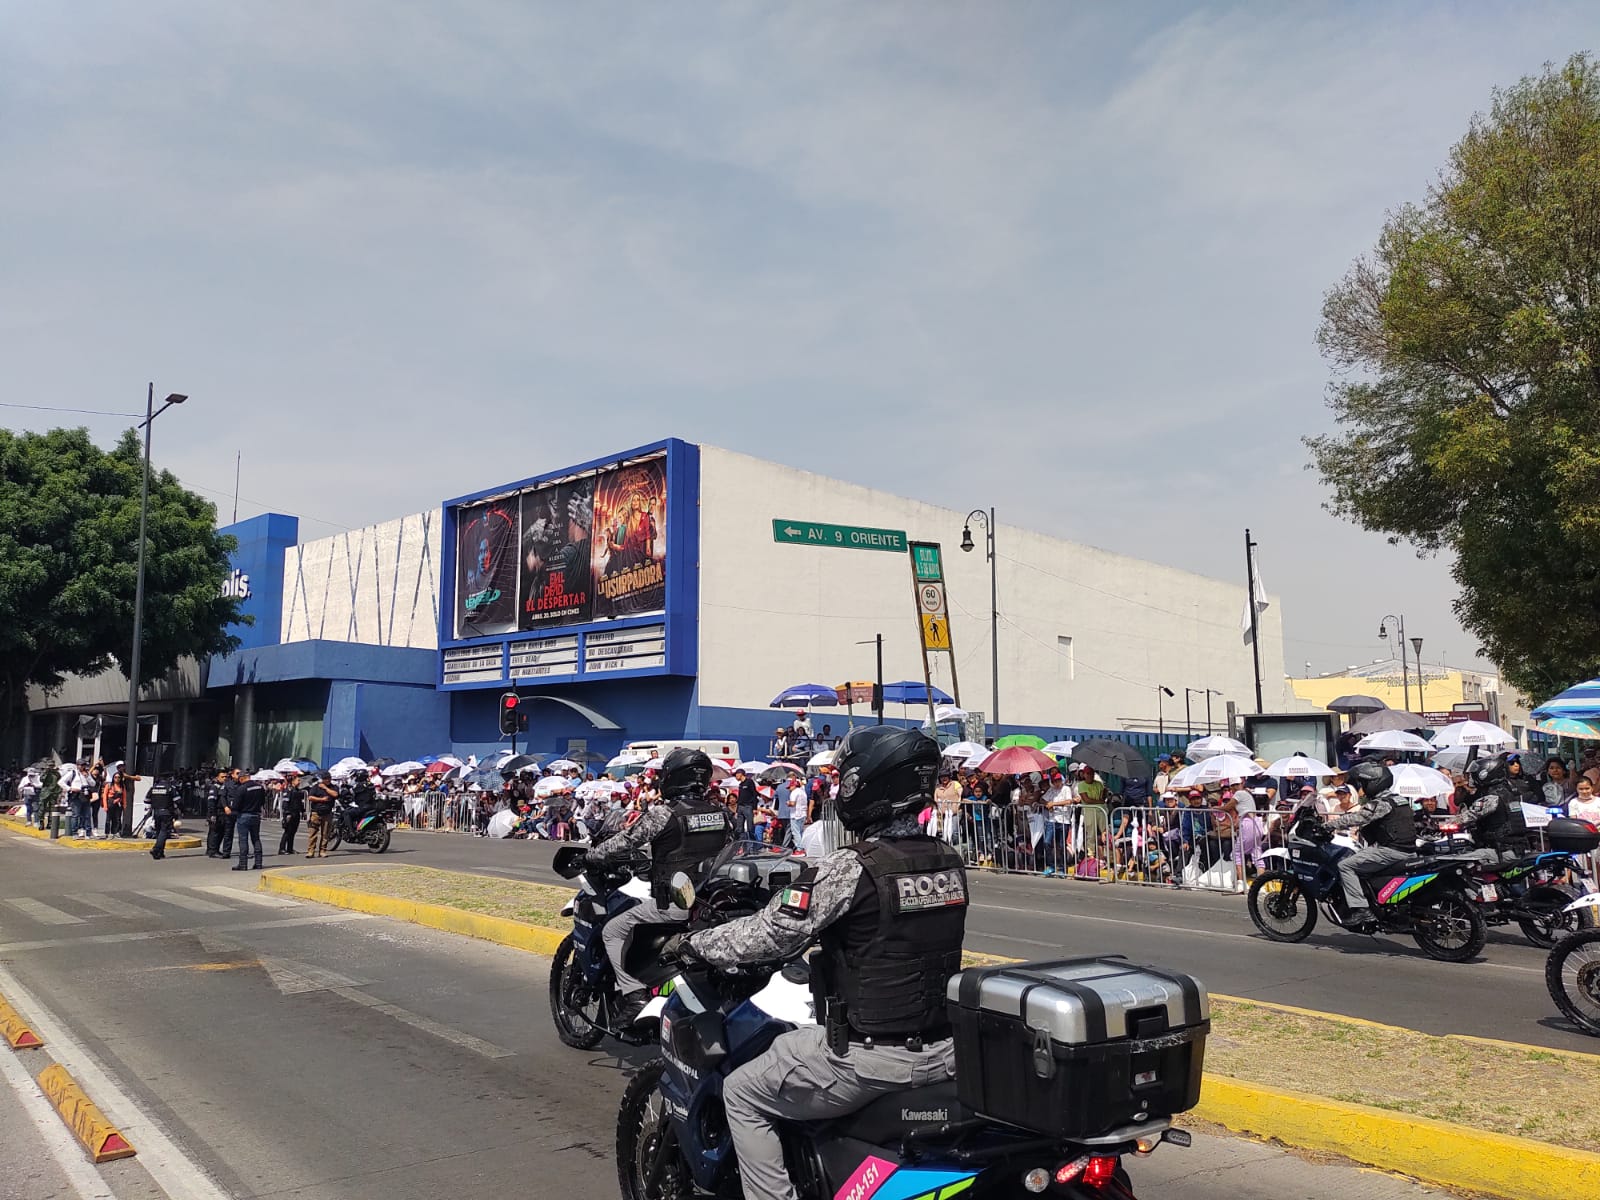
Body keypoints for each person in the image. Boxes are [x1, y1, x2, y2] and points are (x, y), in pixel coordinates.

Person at [674, 726, 967, 1200]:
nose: (841, 792)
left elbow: (770, 932)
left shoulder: (850, 867)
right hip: (944, 1051)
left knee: (743, 1092)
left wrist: (696, 945)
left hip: (869, 1060)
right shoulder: (948, 861)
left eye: (848, 781)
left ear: (874, 786)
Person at [587, 748, 734, 1026]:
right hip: (706, 905)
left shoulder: (664, 814)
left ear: (673, 777)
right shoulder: (721, 814)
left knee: (612, 930)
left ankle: (633, 995)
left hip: (673, 906)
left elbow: (624, 841)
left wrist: (591, 856)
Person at [1324, 761, 1415, 930]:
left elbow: (1357, 818)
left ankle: (1362, 911)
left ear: (1374, 783)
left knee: (1345, 866)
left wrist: (1328, 825)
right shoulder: (1400, 799)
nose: (1362, 788)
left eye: (1364, 783)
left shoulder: (1382, 803)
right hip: (1407, 850)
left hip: (1391, 851)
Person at [1457, 752, 1534, 862]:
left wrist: (1440, 826)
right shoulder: (1510, 792)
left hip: (1501, 852)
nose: (1472, 778)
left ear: (1485, 774)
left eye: (1474, 775)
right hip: (1518, 849)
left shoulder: (1491, 799)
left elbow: (1465, 818)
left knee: (1456, 860)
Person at [231, 772, 267, 870]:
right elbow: (263, 802)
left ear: (242, 778)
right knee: (256, 839)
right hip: (256, 815)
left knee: (243, 840)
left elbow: (235, 805)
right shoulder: (260, 787)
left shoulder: (241, 789)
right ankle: (258, 863)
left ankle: (243, 864)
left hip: (244, 815)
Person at [146, 775, 179, 859]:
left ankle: (160, 852)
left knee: (159, 832)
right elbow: (178, 800)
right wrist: (180, 810)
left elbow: (146, 800)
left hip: (156, 813)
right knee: (164, 831)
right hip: (167, 813)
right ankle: (156, 849)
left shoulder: (153, 788)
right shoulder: (170, 788)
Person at [306, 772, 338, 857]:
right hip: (316, 812)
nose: (327, 780)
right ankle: (311, 851)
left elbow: (335, 794)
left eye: (328, 778)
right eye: (325, 779)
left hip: (327, 813)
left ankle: (322, 851)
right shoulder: (316, 787)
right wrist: (321, 799)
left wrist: (326, 788)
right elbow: (310, 797)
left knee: (325, 833)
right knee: (313, 832)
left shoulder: (333, 787)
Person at [278, 776, 305, 855]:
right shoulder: (289, 790)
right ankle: (282, 849)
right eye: (298, 780)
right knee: (287, 832)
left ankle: (290, 848)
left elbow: (299, 803)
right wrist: (287, 814)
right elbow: (285, 803)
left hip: (296, 813)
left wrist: (303, 811)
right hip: (290, 813)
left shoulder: (298, 791)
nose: (299, 782)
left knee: (293, 832)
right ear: (293, 781)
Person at [734, 768, 758, 839]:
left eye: (736, 775)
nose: (735, 777)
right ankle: (741, 844)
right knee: (739, 828)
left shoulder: (749, 782)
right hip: (740, 807)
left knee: (750, 827)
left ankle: (752, 845)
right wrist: (737, 810)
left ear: (740, 774)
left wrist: (754, 807)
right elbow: (740, 797)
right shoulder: (740, 784)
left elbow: (754, 794)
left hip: (748, 807)